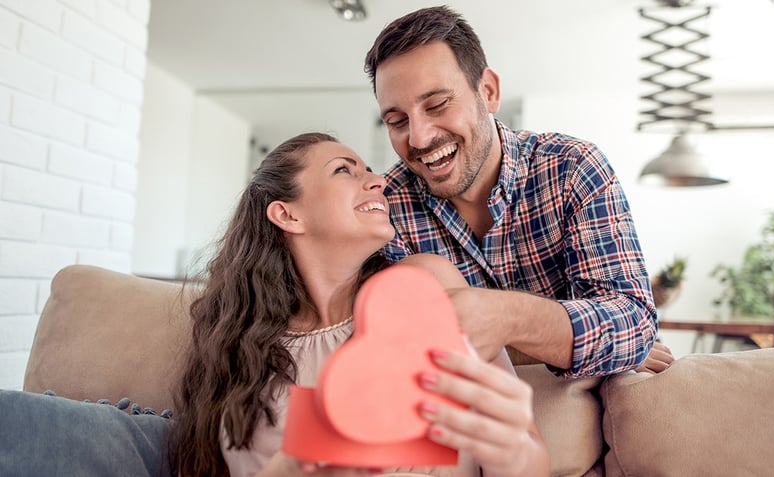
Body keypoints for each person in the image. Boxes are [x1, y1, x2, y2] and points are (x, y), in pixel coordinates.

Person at [172, 132, 550, 477]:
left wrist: (513, 450)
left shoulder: (424, 287)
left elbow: (529, 458)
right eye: (344, 171)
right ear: (288, 214)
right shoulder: (240, 350)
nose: (379, 181)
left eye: (369, 170)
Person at [364, 6, 674, 376]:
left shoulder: (572, 167)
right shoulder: (384, 208)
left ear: (489, 91)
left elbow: (634, 327)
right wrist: (569, 341)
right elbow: (405, 349)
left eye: (437, 104)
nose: (418, 137)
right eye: (397, 121)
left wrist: (503, 317)